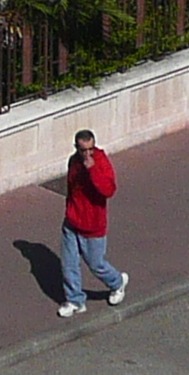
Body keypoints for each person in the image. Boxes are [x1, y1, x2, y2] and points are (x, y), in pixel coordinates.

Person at [58, 129, 124, 317]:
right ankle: (75, 301)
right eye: (83, 150)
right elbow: (71, 189)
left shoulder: (101, 162)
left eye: (90, 149)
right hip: (72, 221)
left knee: (96, 264)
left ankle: (117, 282)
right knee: (69, 264)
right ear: (76, 148)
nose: (87, 154)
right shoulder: (73, 162)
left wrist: (93, 169)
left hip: (93, 225)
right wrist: (69, 209)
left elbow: (108, 190)